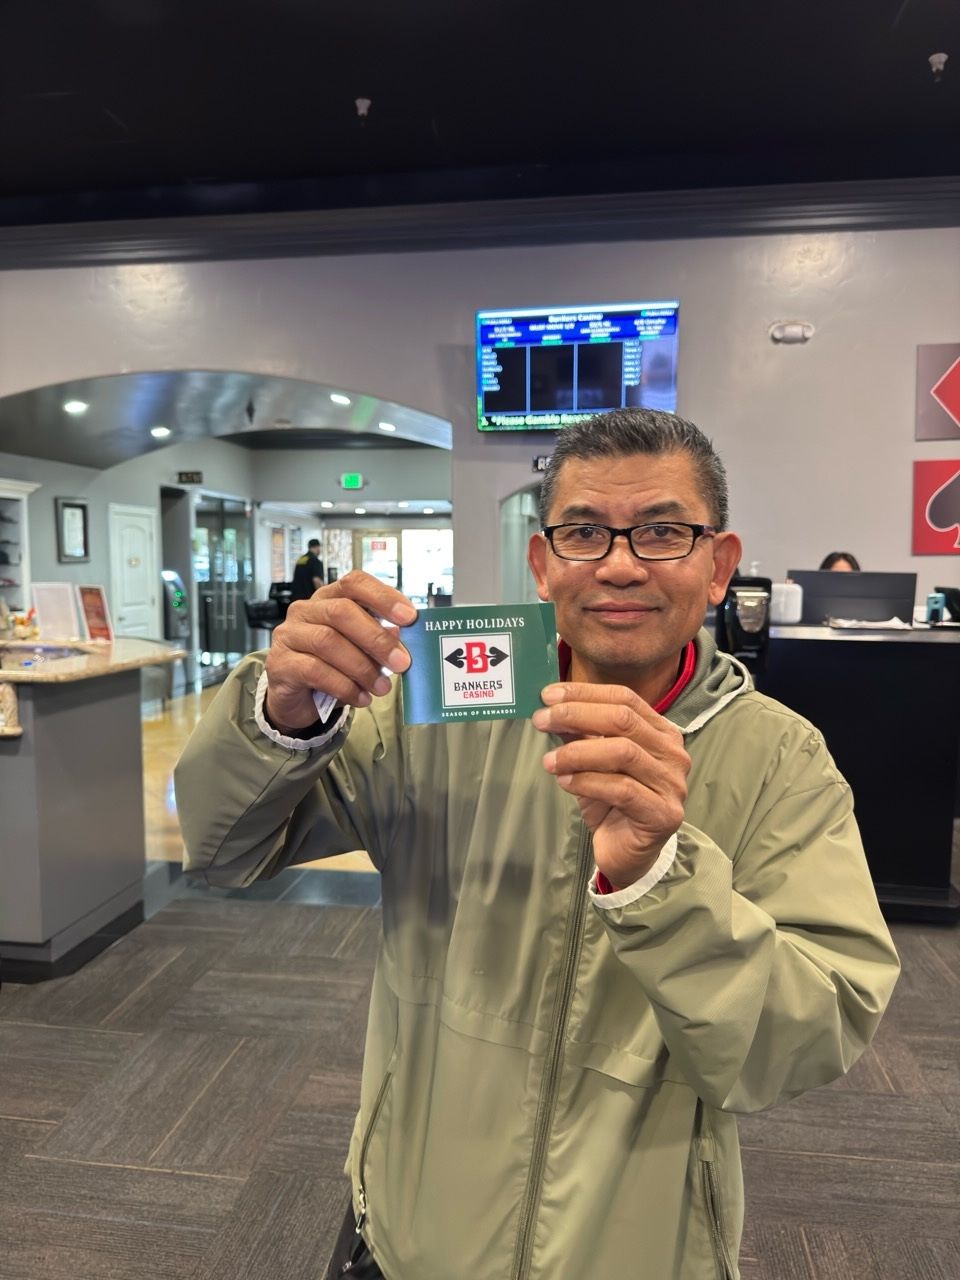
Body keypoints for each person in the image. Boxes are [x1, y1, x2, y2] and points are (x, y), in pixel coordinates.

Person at [176, 409, 899, 1280]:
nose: (621, 564)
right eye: (584, 533)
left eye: (663, 531)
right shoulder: (440, 709)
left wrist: (662, 880)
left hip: (640, 1248)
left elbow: (808, 1037)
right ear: (542, 563)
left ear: (719, 566)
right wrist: (282, 717)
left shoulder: (780, 759)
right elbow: (225, 849)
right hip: (416, 1226)